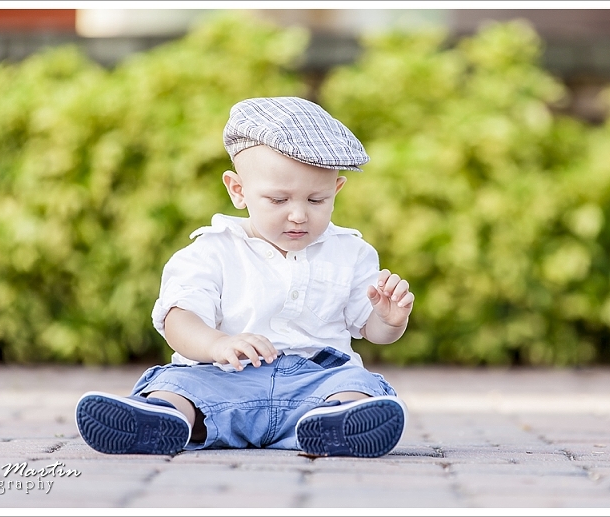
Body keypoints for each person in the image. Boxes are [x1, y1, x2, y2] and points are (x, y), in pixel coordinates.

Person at [75, 96, 415, 458]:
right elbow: (180, 319)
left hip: (313, 385)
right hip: (224, 379)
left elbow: (373, 332)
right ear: (238, 190)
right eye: (278, 200)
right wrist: (216, 344)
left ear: (337, 191)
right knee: (178, 383)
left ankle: (336, 421)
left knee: (355, 383)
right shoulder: (211, 250)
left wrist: (389, 320)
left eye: (316, 200)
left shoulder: (352, 252)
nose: (298, 215)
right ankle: (164, 417)